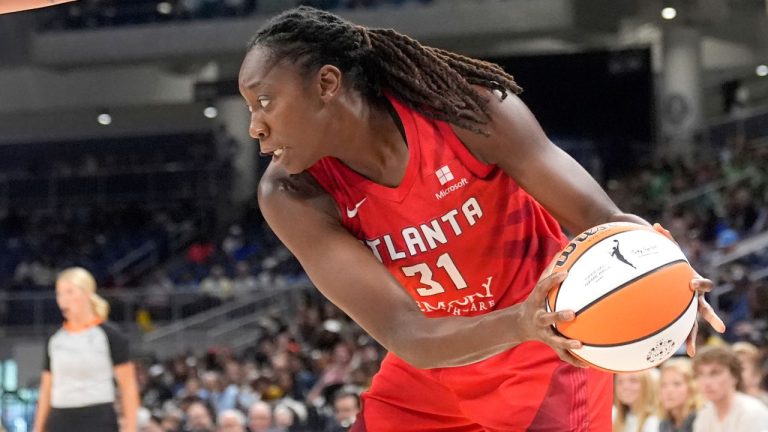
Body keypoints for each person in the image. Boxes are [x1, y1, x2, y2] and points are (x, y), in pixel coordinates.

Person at [240, 6, 725, 430]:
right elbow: (406, 331)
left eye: (264, 102)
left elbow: (601, 217)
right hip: (441, 359)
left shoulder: (464, 109)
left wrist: (665, 274)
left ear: (327, 83)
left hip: (550, 345)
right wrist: (519, 321)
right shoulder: (290, 193)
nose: (254, 126)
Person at [33, 267, 139, 432]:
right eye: (59, 294)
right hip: (59, 419)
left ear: (87, 293)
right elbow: (46, 390)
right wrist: (38, 429)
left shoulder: (109, 335)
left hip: (99, 418)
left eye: (69, 292)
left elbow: (128, 387)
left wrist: (131, 428)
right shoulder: (54, 339)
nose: (63, 300)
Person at [692, 345, 768, 432]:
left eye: (715, 373)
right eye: (700, 374)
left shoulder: (751, 412)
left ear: (734, 376)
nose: (706, 382)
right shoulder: (705, 414)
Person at [658, 358, 702, 432]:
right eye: (664, 385)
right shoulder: (664, 424)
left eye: (677, 384)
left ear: (692, 387)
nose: (668, 391)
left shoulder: (700, 420)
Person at [732, 341, 768, 406]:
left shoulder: (764, 402)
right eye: (733, 369)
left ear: (757, 375)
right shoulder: (729, 401)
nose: (736, 373)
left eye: (742, 368)